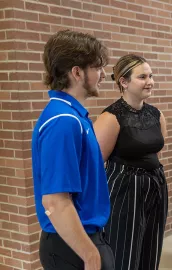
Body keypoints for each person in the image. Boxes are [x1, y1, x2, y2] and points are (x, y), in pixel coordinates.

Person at [32, 30, 114, 270]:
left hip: (86, 237)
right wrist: (90, 255)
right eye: (97, 68)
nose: (102, 75)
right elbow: (56, 202)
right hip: (72, 247)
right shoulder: (63, 121)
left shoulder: (75, 117)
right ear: (77, 72)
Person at [93, 54, 168, 270]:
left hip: (156, 186)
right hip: (125, 191)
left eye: (151, 76)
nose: (150, 81)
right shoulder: (111, 117)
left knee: (151, 247)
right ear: (123, 82)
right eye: (142, 77)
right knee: (124, 252)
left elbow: (156, 152)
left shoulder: (156, 114)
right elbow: (96, 165)